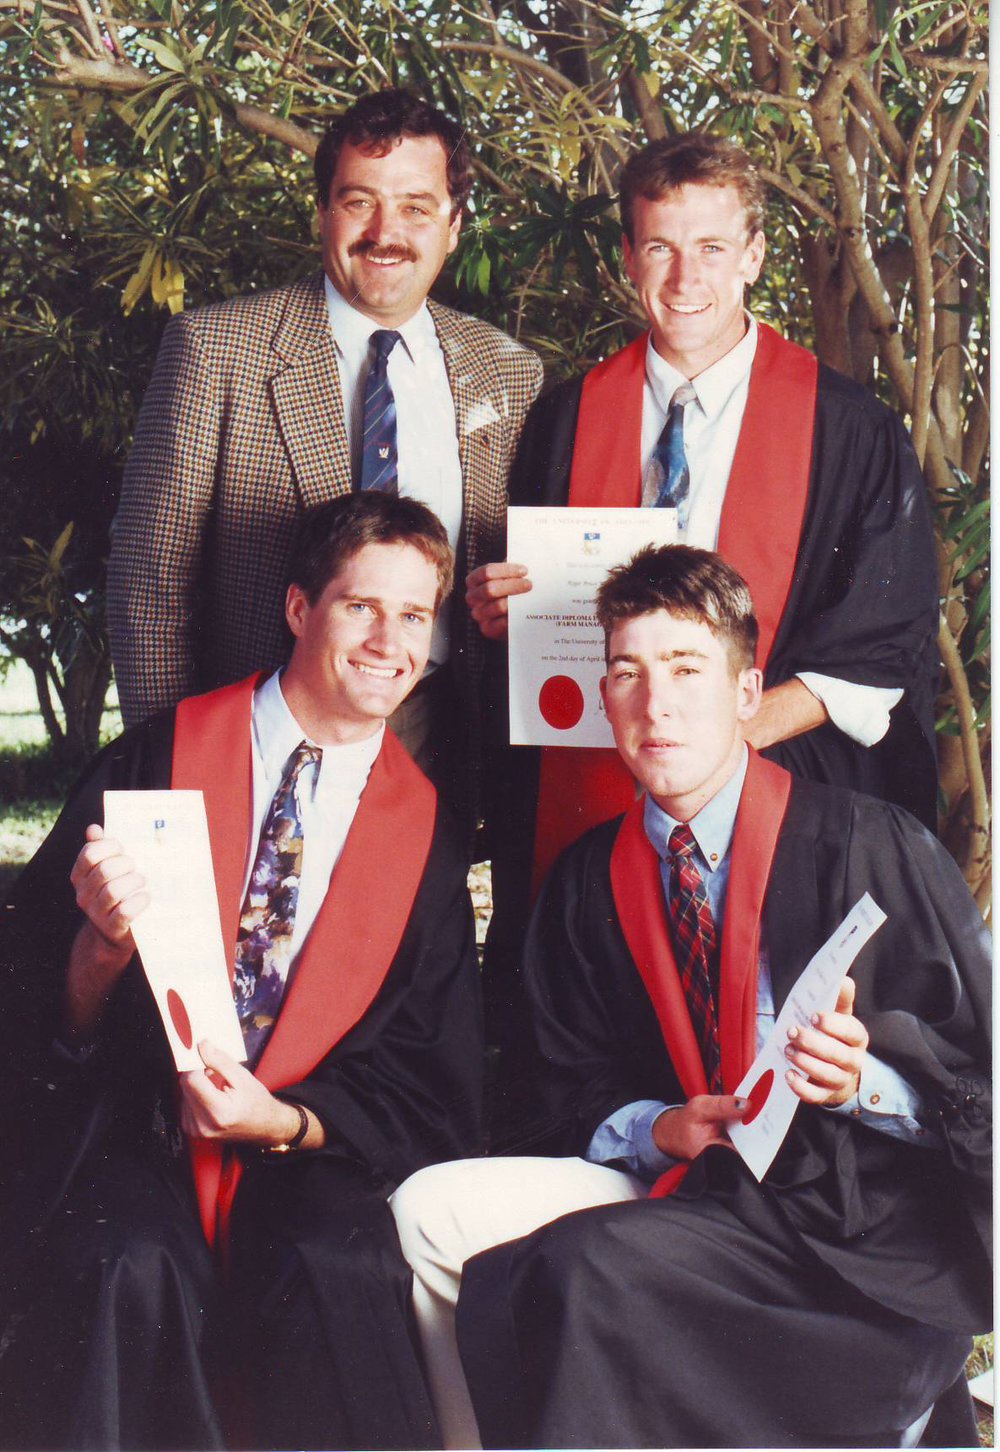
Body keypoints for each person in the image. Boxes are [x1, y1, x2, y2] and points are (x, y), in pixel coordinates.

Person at [391, 545, 990, 1450]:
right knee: (429, 1213)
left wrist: (864, 1080)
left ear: (748, 694)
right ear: (603, 701)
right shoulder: (590, 881)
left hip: (853, 1238)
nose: (655, 703)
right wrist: (653, 1125)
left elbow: (981, 1077)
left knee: (586, 1265)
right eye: (627, 673)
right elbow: (549, 1094)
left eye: (685, 668)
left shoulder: (869, 845)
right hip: (688, 1189)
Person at [473, 132, 940, 1129]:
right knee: (591, 1071)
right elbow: (539, 635)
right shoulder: (564, 419)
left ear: (755, 254)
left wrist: (714, 749)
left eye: (712, 247)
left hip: (771, 814)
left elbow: (879, 642)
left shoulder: (846, 429)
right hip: (587, 828)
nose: (684, 277)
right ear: (626, 256)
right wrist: (496, 613)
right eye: (656, 247)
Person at [0, 494, 483, 1451]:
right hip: (130, 1128)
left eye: (416, 616)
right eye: (361, 607)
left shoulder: (425, 829)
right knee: (121, 1263)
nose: (391, 642)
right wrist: (99, 947)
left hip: (302, 1151)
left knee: (335, 1268)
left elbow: (435, 1076)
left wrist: (292, 1123)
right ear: (301, 608)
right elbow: (36, 1015)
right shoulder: (152, 760)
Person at [108, 87, 542, 836]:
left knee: (412, 951)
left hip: (437, 741)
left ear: (455, 225)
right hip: (253, 740)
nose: (386, 232)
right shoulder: (217, 351)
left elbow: (521, 577)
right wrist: (166, 774)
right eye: (358, 202)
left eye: (416, 206)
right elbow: (149, 581)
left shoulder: (507, 372)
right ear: (322, 214)